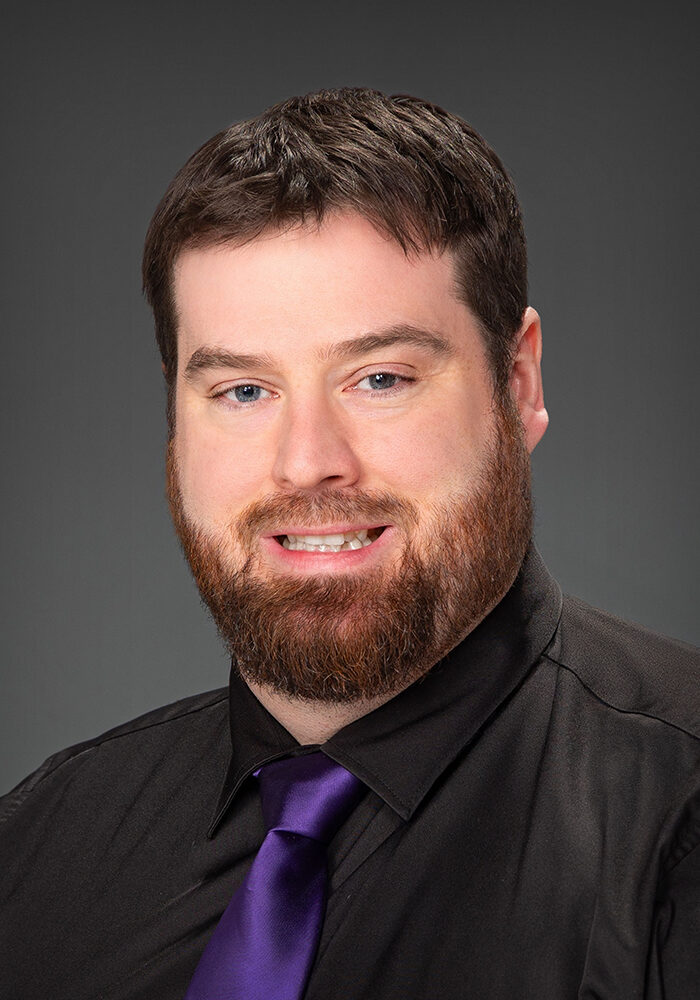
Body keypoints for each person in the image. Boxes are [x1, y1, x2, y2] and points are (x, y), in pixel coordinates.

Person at [1, 88, 698, 1000]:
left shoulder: (677, 822)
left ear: (519, 383)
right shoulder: (38, 847)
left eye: (379, 378)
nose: (306, 464)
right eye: (243, 391)